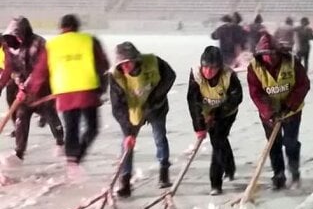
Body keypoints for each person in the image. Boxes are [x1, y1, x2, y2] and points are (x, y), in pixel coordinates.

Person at [22, 14, 109, 173]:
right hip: (87, 90)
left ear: (61, 28)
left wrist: (31, 92)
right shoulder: (89, 40)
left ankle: (71, 160)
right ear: (77, 26)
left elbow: (40, 71)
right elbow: (103, 64)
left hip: (64, 92)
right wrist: (102, 88)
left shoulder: (52, 45)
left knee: (71, 127)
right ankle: (78, 156)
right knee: (92, 128)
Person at [109, 41, 176, 197]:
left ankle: (163, 170)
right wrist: (128, 130)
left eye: (128, 62)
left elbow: (170, 76)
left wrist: (154, 99)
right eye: (121, 64)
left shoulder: (153, 62)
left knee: (159, 137)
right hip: (134, 112)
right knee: (127, 144)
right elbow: (117, 107)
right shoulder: (116, 77)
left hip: (156, 108)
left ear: (135, 59)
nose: (125, 67)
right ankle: (125, 181)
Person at [247, 33, 310, 189]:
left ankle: (294, 171)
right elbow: (255, 92)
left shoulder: (292, 62)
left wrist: (290, 105)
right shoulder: (254, 67)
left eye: (272, 54)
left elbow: (303, 84)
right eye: (265, 55)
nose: (269, 58)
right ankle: (278, 174)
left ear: (278, 52)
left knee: (290, 143)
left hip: (291, 112)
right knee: (273, 144)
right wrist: (269, 111)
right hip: (269, 114)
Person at [0, 16, 64, 164]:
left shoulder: (39, 44)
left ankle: (60, 142)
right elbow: (10, 68)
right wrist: (14, 83)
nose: (17, 40)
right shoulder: (11, 47)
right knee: (21, 116)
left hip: (44, 89)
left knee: (50, 114)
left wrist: (28, 87)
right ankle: (19, 153)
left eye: (19, 36)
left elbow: (40, 71)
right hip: (25, 89)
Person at [187, 46, 243, 195]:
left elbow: (236, 98)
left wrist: (217, 114)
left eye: (213, 68)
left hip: (226, 112)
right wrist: (199, 125)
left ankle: (215, 182)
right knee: (219, 140)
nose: (208, 71)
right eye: (205, 67)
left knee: (218, 140)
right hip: (207, 111)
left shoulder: (228, 76)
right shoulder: (196, 75)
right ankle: (229, 166)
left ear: (219, 67)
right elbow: (193, 101)